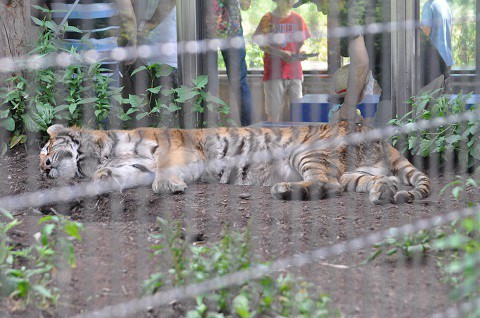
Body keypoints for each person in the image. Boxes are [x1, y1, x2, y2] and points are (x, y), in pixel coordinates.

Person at [253, 0, 311, 122]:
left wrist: (303, 52)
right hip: (274, 73)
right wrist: (281, 53)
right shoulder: (268, 18)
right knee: (273, 115)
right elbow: (261, 44)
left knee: (298, 113)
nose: (291, 1)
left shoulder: (298, 19)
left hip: (295, 73)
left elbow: (303, 44)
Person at [205, 0, 253, 126]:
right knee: (238, 82)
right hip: (229, 29)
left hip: (209, 28)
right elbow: (245, 5)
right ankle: (248, 129)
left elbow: (245, 4)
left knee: (206, 80)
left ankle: (210, 125)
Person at [421, 0, 454, 78]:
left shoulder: (429, 5)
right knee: (444, 89)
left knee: (431, 89)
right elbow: (451, 30)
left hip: (434, 60)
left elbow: (426, 31)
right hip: (447, 58)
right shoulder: (445, 5)